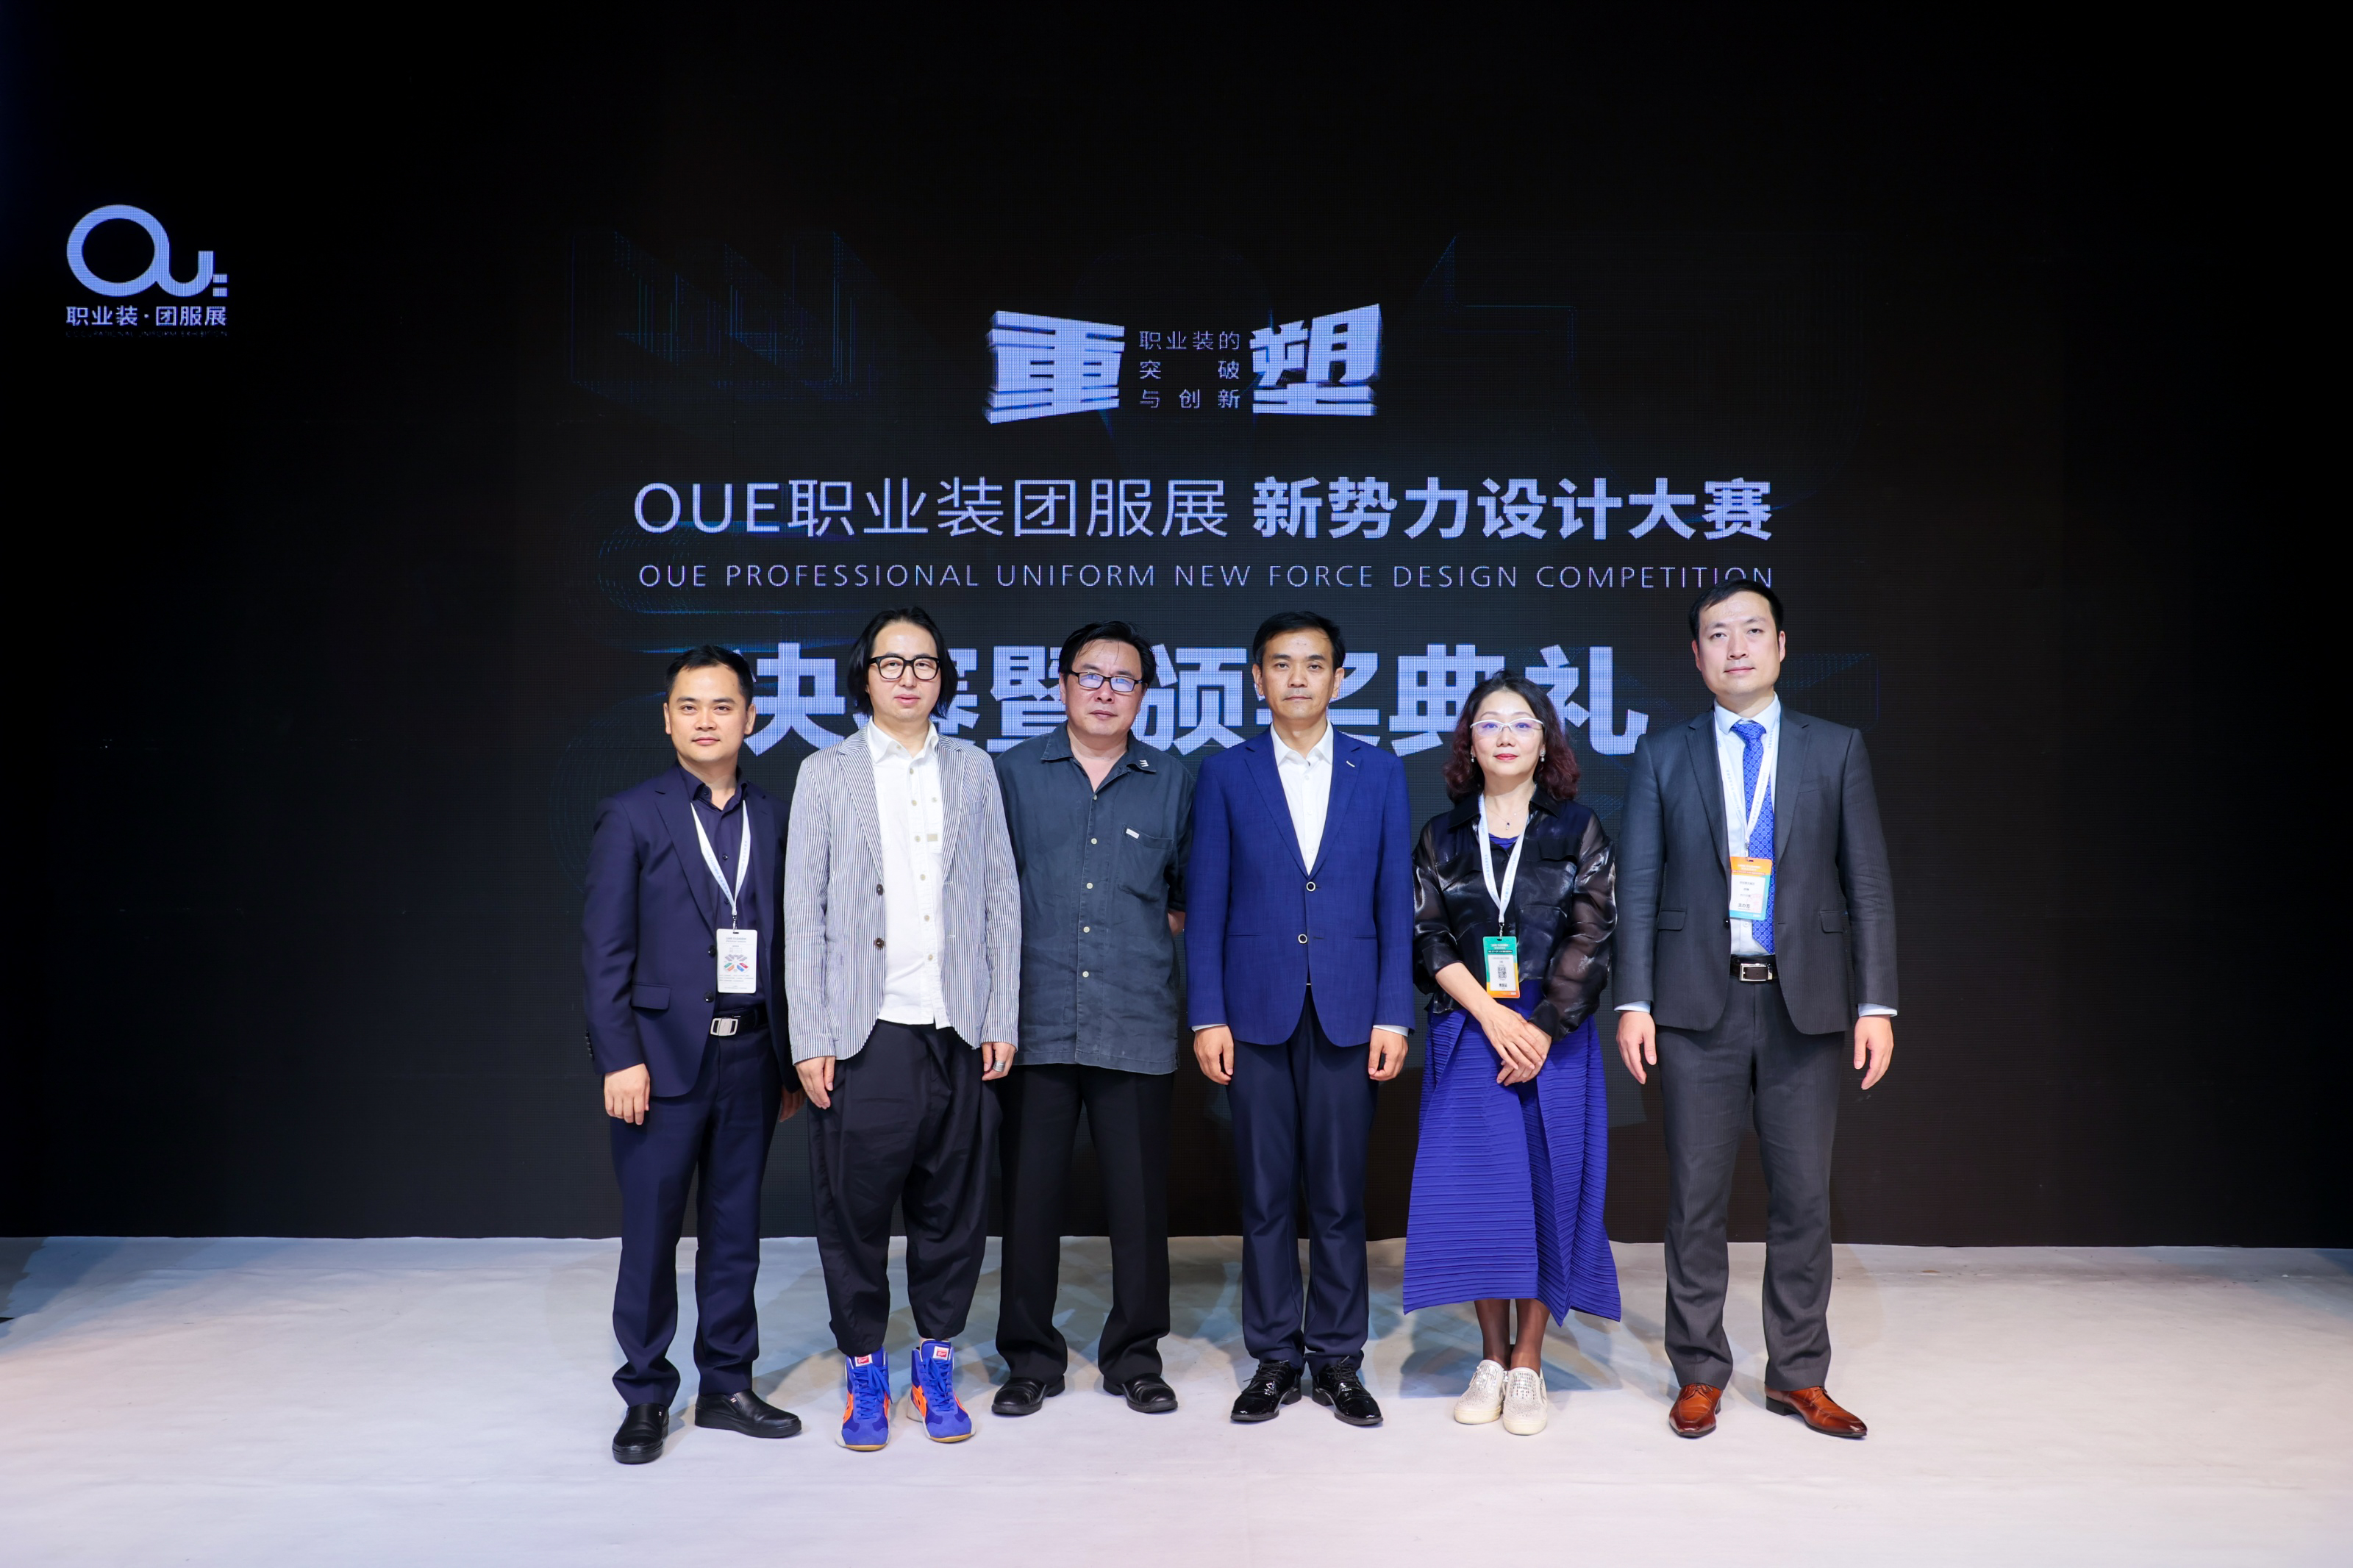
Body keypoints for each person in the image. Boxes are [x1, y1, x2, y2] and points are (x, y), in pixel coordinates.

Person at [1615, 580, 1898, 1441]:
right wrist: (1633, 1000)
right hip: (1693, 1007)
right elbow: (1638, 889)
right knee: (1694, 1200)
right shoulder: (1662, 755)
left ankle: (1798, 1375)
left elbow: (1867, 885)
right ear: (1695, 655)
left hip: (1802, 1004)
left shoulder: (1834, 748)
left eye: (1750, 630)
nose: (1734, 647)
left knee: (1803, 1199)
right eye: (1716, 634)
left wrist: (1875, 1002)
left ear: (1780, 645)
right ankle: (1699, 1372)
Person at [783, 606, 1021, 1451]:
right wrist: (810, 1036)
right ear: (865, 676)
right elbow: (803, 912)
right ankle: (863, 1368)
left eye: (924, 664)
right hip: (865, 1028)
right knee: (852, 1211)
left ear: (942, 677)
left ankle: (933, 1359)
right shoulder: (825, 774)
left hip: (957, 1023)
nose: (909, 677)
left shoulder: (974, 770)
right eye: (892, 663)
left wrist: (1000, 1013)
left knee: (952, 1208)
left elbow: (1000, 896)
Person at [1187, 609, 1414, 1428]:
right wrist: (1206, 1015)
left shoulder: (1378, 771)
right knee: (1266, 1195)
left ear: (1339, 678)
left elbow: (1393, 902)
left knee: (1340, 1197)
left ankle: (1338, 1358)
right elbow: (1206, 902)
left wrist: (1394, 1013)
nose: (1296, 678)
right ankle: (1275, 1356)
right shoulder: (1225, 773)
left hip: (1351, 1010)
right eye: (1280, 664)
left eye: (1313, 664)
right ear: (1257, 679)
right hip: (1253, 1011)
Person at [582, 644, 804, 1465]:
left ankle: (726, 1386)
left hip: (752, 1058)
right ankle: (645, 1394)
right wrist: (619, 1058)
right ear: (667, 719)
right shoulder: (630, 815)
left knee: (735, 1231)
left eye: (722, 705)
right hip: (659, 1062)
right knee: (650, 1234)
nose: (705, 721)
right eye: (689, 706)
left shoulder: (775, 816)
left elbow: (789, 948)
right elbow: (604, 951)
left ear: (752, 717)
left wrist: (788, 1058)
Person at [1404, 673, 1620, 1437]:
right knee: (1479, 1195)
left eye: (1521, 723)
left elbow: (1592, 933)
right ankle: (1490, 1356)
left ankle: (1529, 1359)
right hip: (1472, 1028)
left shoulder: (1578, 828)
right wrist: (1492, 1017)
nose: (1504, 735)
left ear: (1544, 740)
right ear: (1468, 740)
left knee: (1545, 1191)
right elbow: (1428, 937)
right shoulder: (1441, 835)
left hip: (1553, 1032)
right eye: (1488, 722)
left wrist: (1543, 1027)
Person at [990, 621, 1193, 1419]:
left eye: (1124, 679)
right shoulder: (1011, 775)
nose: (1106, 691)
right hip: (1032, 1020)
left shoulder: (1173, 780)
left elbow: (1183, 899)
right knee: (1028, 1203)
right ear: (1062, 684)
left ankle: (1135, 1356)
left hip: (1133, 1019)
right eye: (1090, 675)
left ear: (1143, 694)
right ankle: (1029, 1359)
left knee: (1138, 1207)